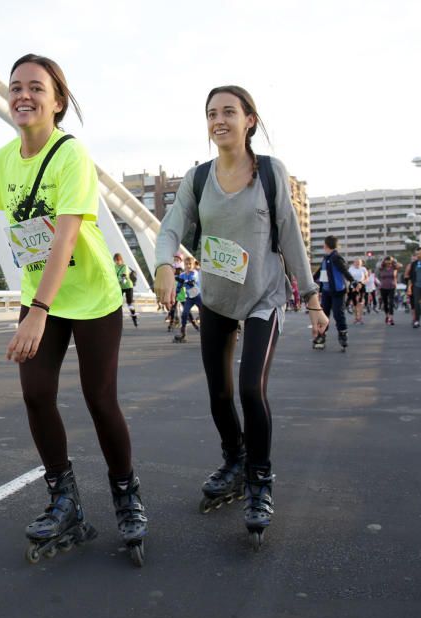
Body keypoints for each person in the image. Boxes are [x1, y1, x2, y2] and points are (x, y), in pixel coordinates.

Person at [154, 85, 327, 549]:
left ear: (250, 119)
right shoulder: (198, 178)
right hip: (215, 298)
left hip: (263, 299)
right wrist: (164, 263)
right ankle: (234, 458)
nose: (219, 120)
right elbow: (172, 226)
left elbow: (290, 237)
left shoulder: (269, 172)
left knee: (251, 388)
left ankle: (259, 480)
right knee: (218, 393)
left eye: (229, 112)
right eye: (212, 113)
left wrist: (311, 300)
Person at [0, 54, 147, 566]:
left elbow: (65, 236)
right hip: (41, 293)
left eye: (36, 87)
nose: (23, 95)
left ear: (58, 101)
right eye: (15, 86)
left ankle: (126, 492)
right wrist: (34, 301)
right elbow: (23, 237)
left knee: (99, 398)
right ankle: (65, 500)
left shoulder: (71, 155)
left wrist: (38, 309)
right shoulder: (2, 162)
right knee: (36, 394)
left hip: (90, 293)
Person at [314, 236, 357, 349]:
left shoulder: (336, 258)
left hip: (338, 291)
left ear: (326, 245)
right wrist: (310, 280)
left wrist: (353, 281)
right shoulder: (326, 258)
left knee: (338, 314)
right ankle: (321, 336)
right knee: (323, 314)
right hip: (326, 291)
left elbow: (344, 270)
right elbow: (319, 273)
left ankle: (343, 335)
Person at [174, 260, 202, 342]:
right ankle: (183, 334)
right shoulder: (182, 275)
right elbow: (179, 287)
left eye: (190, 264)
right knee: (184, 314)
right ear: (184, 265)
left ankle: (209, 332)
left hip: (198, 296)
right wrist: (176, 294)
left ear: (193, 265)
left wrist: (182, 281)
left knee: (204, 315)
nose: (188, 265)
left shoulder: (195, 273)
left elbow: (192, 282)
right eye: (186, 264)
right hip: (190, 297)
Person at [113, 253, 138, 327]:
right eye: (116, 260)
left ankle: (134, 318)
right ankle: (118, 321)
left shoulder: (125, 267)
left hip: (128, 287)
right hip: (120, 287)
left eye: (118, 260)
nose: (117, 262)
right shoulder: (114, 267)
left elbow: (124, 277)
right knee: (118, 303)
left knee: (129, 303)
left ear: (121, 260)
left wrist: (118, 280)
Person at [376, 256, 399, 325]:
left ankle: (391, 318)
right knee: (385, 303)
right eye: (387, 261)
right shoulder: (381, 268)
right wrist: (383, 260)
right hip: (383, 287)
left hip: (392, 287)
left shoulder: (394, 268)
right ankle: (387, 316)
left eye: (389, 261)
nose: (388, 262)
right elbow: (378, 266)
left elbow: (400, 265)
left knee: (391, 303)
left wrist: (393, 261)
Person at [348, 258, 368, 324]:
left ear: (361, 263)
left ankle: (360, 318)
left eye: (359, 262)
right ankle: (356, 318)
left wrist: (362, 282)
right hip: (353, 286)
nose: (357, 263)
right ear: (353, 263)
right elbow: (348, 278)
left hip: (361, 285)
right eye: (356, 262)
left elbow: (366, 278)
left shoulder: (363, 269)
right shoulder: (350, 269)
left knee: (360, 302)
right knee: (355, 303)